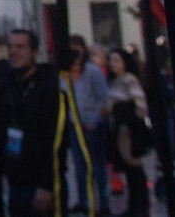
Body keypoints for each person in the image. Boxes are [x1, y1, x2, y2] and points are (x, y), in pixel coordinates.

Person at [0, 30, 56, 217]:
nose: (13, 51)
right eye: (10, 47)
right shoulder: (7, 84)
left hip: (39, 180)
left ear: (34, 51)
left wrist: (47, 185)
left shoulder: (47, 87)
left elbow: (54, 141)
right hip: (15, 178)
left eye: (20, 46)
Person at [103, 50, 149, 217]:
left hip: (128, 129)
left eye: (116, 60)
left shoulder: (129, 80)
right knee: (129, 169)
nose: (112, 64)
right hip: (117, 128)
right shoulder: (114, 82)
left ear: (124, 63)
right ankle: (134, 205)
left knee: (134, 167)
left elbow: (141, 106)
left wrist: (126, 115)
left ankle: (141, 206)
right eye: (111, 60)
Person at [66, 37, 109, 216]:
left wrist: (94, 120)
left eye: (78, 49)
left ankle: (103, 203)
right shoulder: (65, 72)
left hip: (92, 125)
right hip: (73, 125)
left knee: (97, 165)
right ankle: (83, 201)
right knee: (79, 166)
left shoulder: (93, 71)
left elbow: (103, 98)